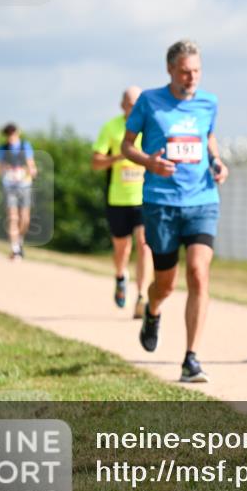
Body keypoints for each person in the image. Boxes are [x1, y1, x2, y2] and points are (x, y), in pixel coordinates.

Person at [121, 40, 228, 383]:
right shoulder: (149, 102)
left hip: (201, 199)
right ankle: (152, 311)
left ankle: (191, 358)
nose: (191, 77)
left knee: (198, 272)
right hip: (161, 203)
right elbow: (126, 146)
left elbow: (208, 136)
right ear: (170, 70)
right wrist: (149, 162)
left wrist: (217, 160)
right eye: (184, 71)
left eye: (196, 70)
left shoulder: (208, 102)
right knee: (165, 284)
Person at [93, 86, 153, 318]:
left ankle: (141, 295)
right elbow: (95, 162)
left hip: (144, 197)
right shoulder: (111, 127)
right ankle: (120, 276)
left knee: (144, 243)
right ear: (122, 105)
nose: (133, 107)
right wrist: (120, 155)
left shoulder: (149, 127)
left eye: (137, 102)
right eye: (129, 103)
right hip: (117, 198)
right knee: (122, 249)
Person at [0, 123, 38, 260]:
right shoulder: (2, 149)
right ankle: (15, 248)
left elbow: (31, 165)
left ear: (17, 133)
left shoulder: (25, 146)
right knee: (13, 217)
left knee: (24, 218)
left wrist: (31, 171)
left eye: (13, 133)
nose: (11, 136)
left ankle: (19, 241)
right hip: (10, 186)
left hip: (24, 184)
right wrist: (7, 170)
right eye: (8, 134)